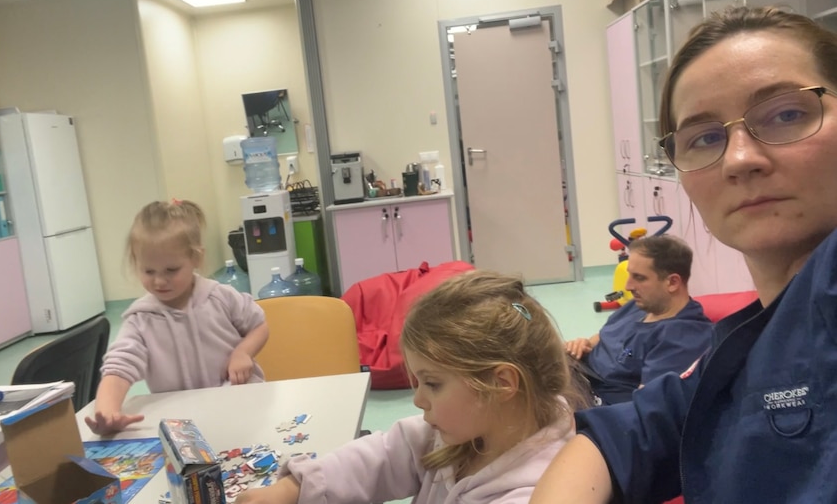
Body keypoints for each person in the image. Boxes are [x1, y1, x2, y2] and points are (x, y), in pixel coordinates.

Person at [529, 5, 837, 503]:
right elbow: (628, 436)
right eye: (706, 137)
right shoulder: (745, 346)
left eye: (786, 114)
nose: (740, 158)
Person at [236, 270, 581, 504]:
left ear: (501, 383)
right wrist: (293, 487)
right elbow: (386, 454)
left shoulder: (539, 491)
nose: (418, 400)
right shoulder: (470, 429)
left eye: (432, 384)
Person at [85, 200, 270, 436]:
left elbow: (259, 325)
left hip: (240, 407)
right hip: (184, 424)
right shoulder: (141, 319)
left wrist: (243, 352)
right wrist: (107, 412)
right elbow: (118, 369)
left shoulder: (220, 297)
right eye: (148, 271)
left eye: (171, 270)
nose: (160, 281)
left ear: (196, 258)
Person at [565, 235, 712, 405]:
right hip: (578, 373)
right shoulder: (640, 305)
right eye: (629, 275)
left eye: (639, 278)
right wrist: (584, 344)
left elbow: (645, 408)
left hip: (598, 401)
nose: (628, 286)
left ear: (672, 282)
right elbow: (603, 336)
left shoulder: (683, 337)